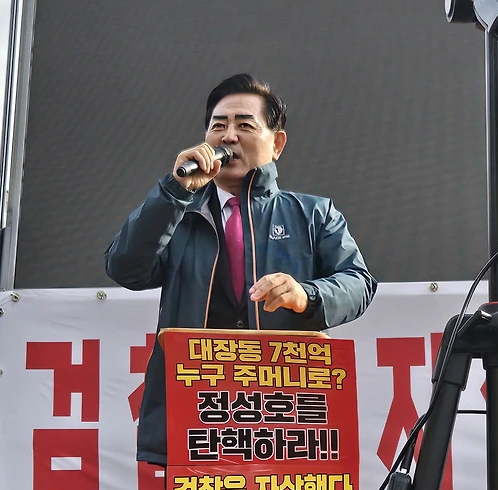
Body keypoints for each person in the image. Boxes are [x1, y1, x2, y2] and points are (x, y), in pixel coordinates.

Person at [104, 73, 377, 466]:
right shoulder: (178, 213)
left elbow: (359, 283)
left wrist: (307, 294)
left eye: (245, 125)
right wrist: (174, 191)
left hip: (287, 415)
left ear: (276, 143)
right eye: (219, 126)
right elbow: (124, 268)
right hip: (198, 415)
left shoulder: (313, 213)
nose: (229, 136)